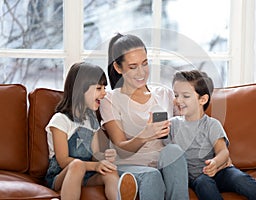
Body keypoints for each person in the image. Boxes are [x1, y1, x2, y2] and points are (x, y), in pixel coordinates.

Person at [100, 33, 189, 200]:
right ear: (119, 68)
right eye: (133, 67)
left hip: (164, 164)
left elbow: (190, 127)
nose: (141, 72)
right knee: (151, 176)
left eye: (145, 64)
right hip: (130, 165)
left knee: (174, 151)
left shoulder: (164, 94)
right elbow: (121, 148)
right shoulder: (110, 100)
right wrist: (145, 135)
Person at [164, 69, 256, 200]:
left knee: (241, 179)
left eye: (186, 96)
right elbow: (164, 155)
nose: (178, 100)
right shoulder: (172, 125)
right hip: (197, 178)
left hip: (220, 171)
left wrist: (215, 163)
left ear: (203, 99)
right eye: (176, 95)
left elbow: (223, 151)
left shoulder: (212, 124)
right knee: (204, 184)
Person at [44, 62, 138, 200]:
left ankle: (119, 197)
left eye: (105, 88)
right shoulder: (60, 120)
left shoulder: (92, 120)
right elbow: (63, 161)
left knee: (109, 171)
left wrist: (104, 158)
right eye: (99, 88)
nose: (104, 93)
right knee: (77, 165)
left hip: (87, 175)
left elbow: (94, 154)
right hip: (61, 176)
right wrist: (95, 165)